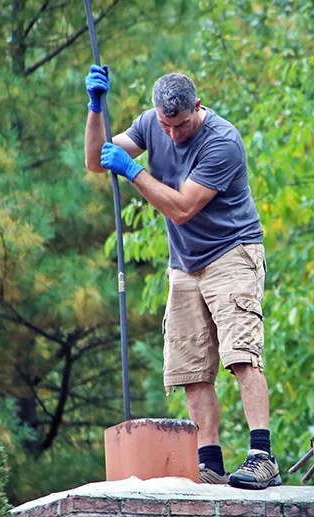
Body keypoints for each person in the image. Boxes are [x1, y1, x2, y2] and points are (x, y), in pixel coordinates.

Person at [84, 66, 281, 490]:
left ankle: (262, 456)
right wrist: (96, 109)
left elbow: (181, 208)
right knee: (190, 368)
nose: (172, 135)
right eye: (165, 125)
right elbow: (95, 160)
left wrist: (134, 171)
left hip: (233, 253)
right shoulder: (151, 124)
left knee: (241, 354)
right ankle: (209, 462)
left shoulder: (222, 141)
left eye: (181, 125)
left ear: (197, 106)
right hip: (185, 263)